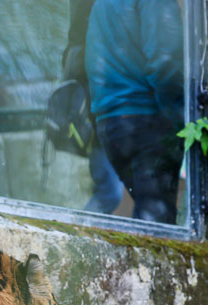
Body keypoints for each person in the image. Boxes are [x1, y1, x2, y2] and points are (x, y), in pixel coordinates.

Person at [85, 0, 185, 224]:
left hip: (111, 124)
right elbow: (165, 63)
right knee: (156, 221)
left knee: (147, 211)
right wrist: (181, 120)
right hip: (146, 119)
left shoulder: (101, 4)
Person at [63, 0, 124, 214]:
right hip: (102, 116)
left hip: (114, 114)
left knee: (113, 191)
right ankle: (75, 231)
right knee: (110, 192)